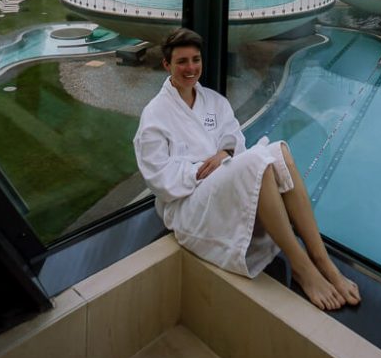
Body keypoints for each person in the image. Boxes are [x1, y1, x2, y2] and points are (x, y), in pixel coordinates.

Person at [134, 27, 360, 311]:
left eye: (195, 59)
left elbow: (234, 142)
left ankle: (321, 259)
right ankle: (302, 267)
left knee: (280, 152)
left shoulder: (214, 101)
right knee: (256, 162)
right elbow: (158, 178)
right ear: (167, 65)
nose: (191, 68)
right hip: (186, 204)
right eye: (182, 61)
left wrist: (225, 154)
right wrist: (200, 170)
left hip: (217, 184)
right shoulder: (155, 116)